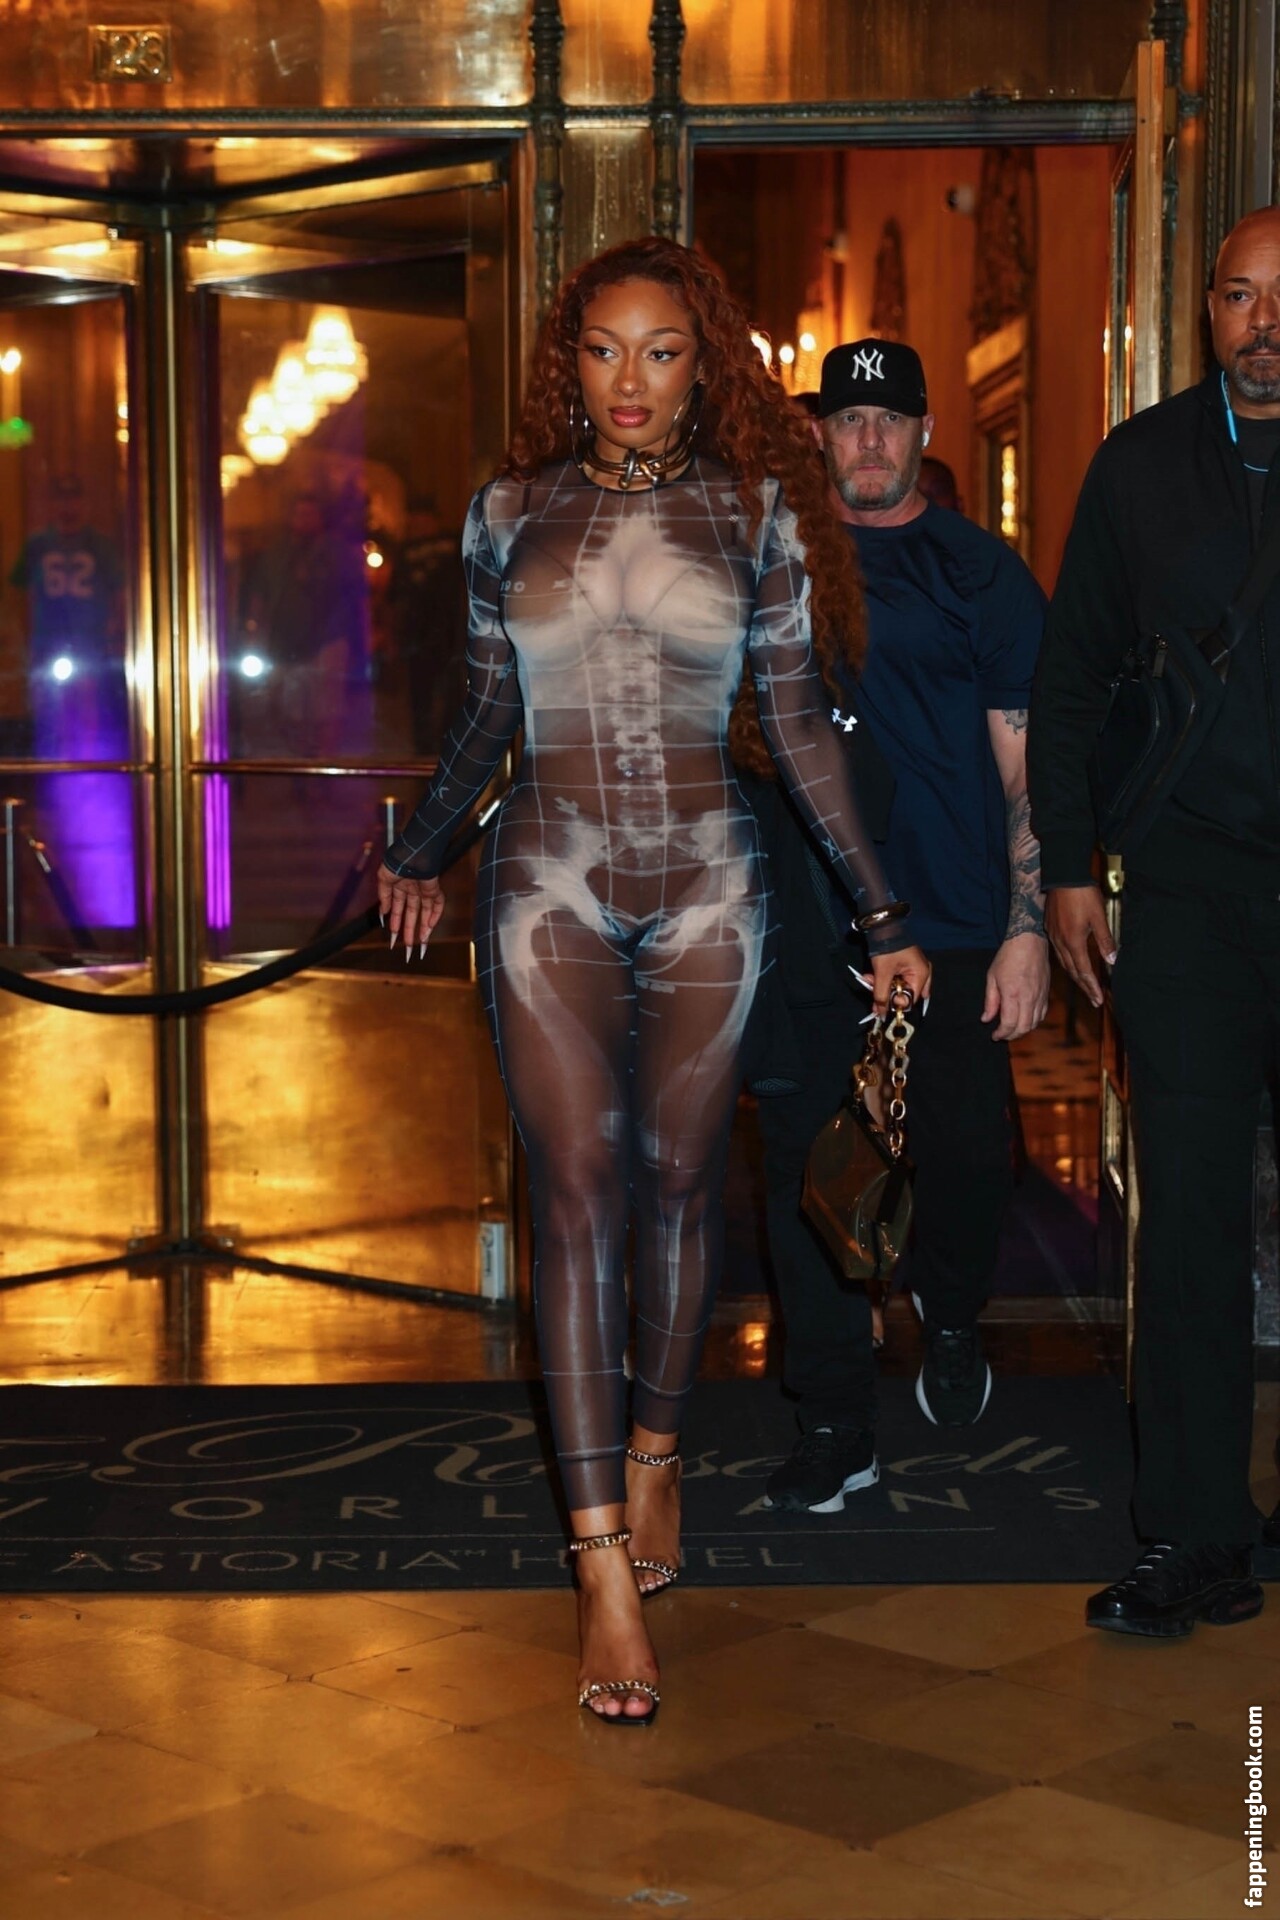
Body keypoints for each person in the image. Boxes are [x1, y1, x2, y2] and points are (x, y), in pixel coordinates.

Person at [377, 240, 929, 1722]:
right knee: (573, 1199)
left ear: (706, 365)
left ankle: (658, 1451)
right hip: (546, 880)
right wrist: (418, 849)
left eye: (663, 351)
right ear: (570, 363)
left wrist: (882, 912)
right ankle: (600, 1568)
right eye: (603, 350)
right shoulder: (508, 513)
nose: (630, 380)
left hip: (707, 884)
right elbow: (484, 714)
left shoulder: (756, 514)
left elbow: (798, 727)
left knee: (684, 1187)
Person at [1028, 205, 1280, 1638]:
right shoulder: (1138, 466)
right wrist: (1068, 866)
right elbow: (1070, 682)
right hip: (1184, 894)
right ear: (1205, 312)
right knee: (1185, 1215)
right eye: (1237, 295)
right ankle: (1193, 1532)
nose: (1263, 323)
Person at [748, 338, 1049, 1515]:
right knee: (813, 1171)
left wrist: (1026, 926)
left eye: (888, 419)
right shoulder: (777, 564)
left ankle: (949, 1307)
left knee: (965, 1156)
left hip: (956, 912)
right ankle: (834, 1413)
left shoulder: (979, 571)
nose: (867, 440)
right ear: (819, 435)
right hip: (812, 918)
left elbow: (1024, 763)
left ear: (925, 432)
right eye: (846, 420)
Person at [386, 494, 466, 757]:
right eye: (415, 520)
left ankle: (445, 746)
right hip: (418, 636)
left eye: (423, 519)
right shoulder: (405, 552)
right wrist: (394, 638)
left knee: (452, 693)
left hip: (450, 633)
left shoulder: (453, 543)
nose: (419, 524)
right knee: (422, 694)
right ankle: (425, 750)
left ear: (434, 520)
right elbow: (395, 598)